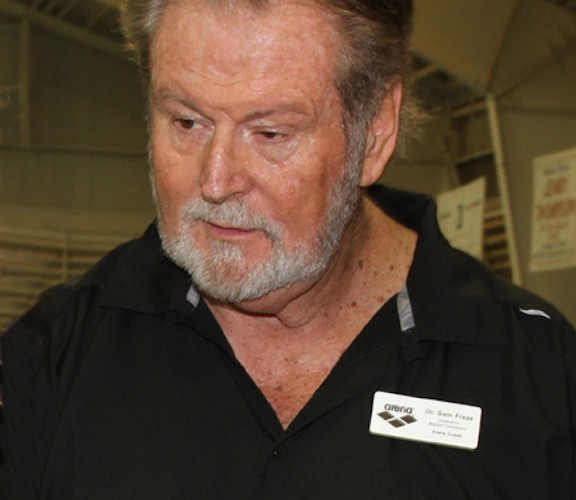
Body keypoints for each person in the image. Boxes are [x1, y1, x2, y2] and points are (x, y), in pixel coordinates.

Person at [1, 0, 575, 497]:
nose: (216, 181)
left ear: (375, 133)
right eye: (187, 122)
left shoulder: (538, 379)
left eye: (271, 133)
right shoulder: (53, 358)